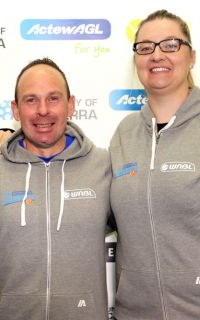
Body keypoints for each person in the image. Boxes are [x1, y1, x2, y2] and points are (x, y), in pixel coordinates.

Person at [0, 57, 112, 320]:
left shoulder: (103, 164)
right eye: (31, 100)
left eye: (53, 98)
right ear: (15, 109)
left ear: (71, 105)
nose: (43, 110)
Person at [109, 9, 199, 319]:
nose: (157, 54)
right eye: (145, 47)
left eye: (171, 44)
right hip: (133, 313)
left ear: (192, 57)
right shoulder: (123, 134)